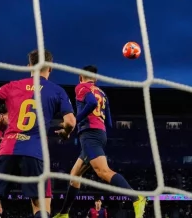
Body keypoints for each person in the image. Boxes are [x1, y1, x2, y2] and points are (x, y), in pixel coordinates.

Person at [0, 49, 76, 218]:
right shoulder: (57, 91)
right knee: (41, 205)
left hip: (7, 149)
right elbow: (71, 122)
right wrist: (65, 133)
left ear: (29, 66)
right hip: (35, 152)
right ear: (50, 67)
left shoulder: (13, 86)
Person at [54, 65, 146, 218]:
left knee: (103, 171)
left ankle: (136, 198)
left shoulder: (81, 87)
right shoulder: (102, 93)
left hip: (90, 135)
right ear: (95, 79)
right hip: (100, 133)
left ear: (80, 77)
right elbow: (109, 121)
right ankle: (64, 214)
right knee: (74, 175)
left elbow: (91, 103)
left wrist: (75, 121)